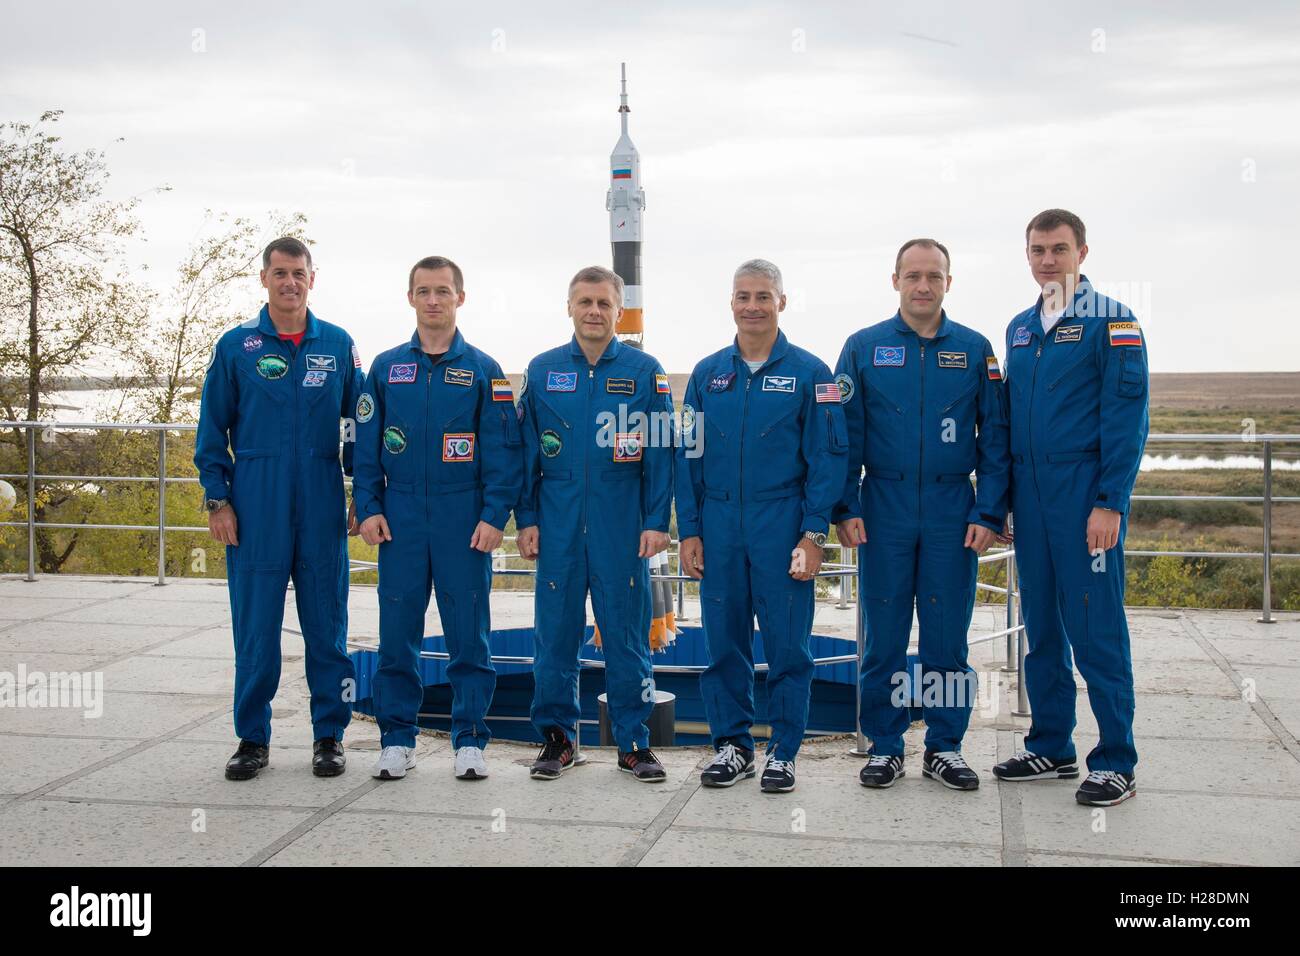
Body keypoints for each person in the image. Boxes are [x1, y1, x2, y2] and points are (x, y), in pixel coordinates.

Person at [833, 239, 1010, 791]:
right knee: (883, 636)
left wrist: (989, 508)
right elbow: (843, 434)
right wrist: (845, 506)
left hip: (952, 510)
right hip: (882, 509)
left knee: (946, 639)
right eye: (913, 275)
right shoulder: (863, 348)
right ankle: (885, 747)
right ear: (895, 281)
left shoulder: (976, 350)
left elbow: (996, 437)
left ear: (948, 282)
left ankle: (944, 746)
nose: (923, 285)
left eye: (934, 275)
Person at [992, 209, 1149, 808]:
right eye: (1038, 250)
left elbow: (1127, 417)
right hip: (1030, 500)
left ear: (1083, 252)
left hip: (1085, 496)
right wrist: (1005, 496)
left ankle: (1116, 759)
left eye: (1059, 249)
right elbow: (1006, 422)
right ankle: (1052, 745)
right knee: (1044, 628)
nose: (1048, 260)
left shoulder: (1114, 323)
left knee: (1097, 628)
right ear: (1027, 255)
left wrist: (1111, 501)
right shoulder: (1020, 328)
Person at [676, 259, 847, 793]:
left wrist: (814, 533)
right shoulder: (706, 376)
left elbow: (829, 458)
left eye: (763, 296)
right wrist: (692, 530)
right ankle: (732, 746)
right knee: (724, 643)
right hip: (721, 523)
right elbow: (689, 457)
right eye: (743, 296)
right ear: (731, 302)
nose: (753, 305)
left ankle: (783, 752)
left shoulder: (812, 373)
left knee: (789, 645)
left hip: (783, 522)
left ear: (781, 302)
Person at [195, 237, 362, 780]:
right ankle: (252, 738)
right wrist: (218, 500)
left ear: (313, 279)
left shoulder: (336, 344)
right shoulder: (236, 346)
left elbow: (360, 425)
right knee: (256, 628)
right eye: (280, 272)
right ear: (264, 278)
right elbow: (211, 430)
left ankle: (330, 736)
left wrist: (363, 494)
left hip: (319, 495)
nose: (290, 282)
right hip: (255, 500)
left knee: (328, 626)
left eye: (299, 273)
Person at [352, 256, 523, 781]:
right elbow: (364, 448)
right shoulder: (384, 369)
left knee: (469, 637)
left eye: (443, 291)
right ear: (410, 298)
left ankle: (469, 740)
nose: (433, 300)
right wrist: (368, 507)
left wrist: (496, 516)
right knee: (397, 633)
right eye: (423, 291)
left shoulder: (483, 370)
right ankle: (396, 739)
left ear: (459, 299)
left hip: (463, 519)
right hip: (399, 518)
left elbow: (503, 451)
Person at [515, 266, 674, 783]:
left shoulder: (646, 372)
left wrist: (656, 522)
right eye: (584, 302)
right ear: (569, 307)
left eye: (604, 303)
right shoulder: (542, 372)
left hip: (622, 530)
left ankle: (633, 743)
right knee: (555, 638)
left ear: (618, 310)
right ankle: (558, 740)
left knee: (627, 638)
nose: (594, 311)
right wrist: (529, 519)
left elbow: (663, 456)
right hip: (558, 530)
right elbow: (526, 456)